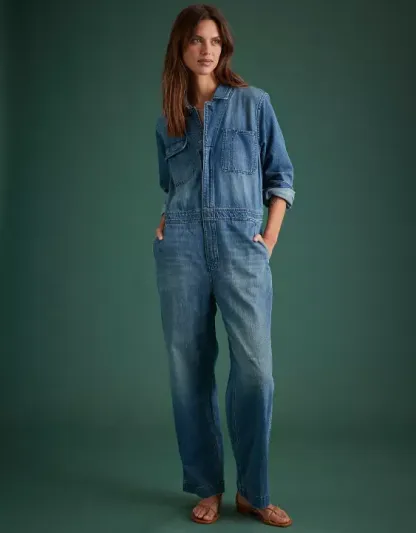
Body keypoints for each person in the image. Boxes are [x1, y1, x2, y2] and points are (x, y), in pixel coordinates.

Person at [152, 4, 295, 528]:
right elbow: (171, 187)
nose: (206, 49)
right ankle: (207, 486)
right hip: (181, 248)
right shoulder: (169, 120)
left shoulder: (254, 104)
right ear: (181, 48)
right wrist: (165, 222)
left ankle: (253, 492)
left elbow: (281, 178)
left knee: (257, 373)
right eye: (196, 40)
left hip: (242, 247)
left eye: (214, 40)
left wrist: (268, 239)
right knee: (187, 370)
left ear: (224, 47)